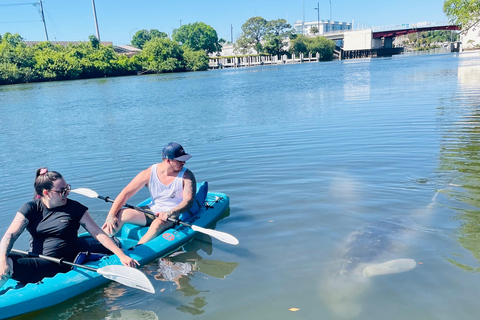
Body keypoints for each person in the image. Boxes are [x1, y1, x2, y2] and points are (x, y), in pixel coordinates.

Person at [0, 168, 139, 285]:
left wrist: (121, 255)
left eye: (67, 188)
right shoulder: (30, 208)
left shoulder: (75, 208)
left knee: (10, 264)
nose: (67, 193)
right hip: (36, 256)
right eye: (62, 191)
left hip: (57, 263)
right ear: (46, 193)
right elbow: (10, 235)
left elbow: (98, 233)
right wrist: (2, 260)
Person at [102, 142, 196, 245]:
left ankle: (136, 250)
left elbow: (188, 201)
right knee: (121, 213)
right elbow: (125, 193)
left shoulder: (187, 176)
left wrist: (170, 212)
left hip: (172, 215)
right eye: (180, 160)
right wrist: (111, 215)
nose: (184, 163)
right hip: (152, 211)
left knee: (157, 223)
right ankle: (101, 241)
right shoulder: (149, 172)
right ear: (168, 160)